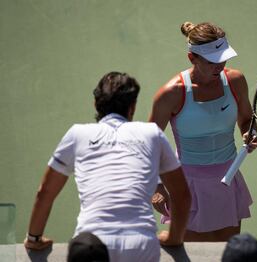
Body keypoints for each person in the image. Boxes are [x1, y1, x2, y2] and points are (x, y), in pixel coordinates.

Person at [24, 72, 191, 262]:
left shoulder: (77, 134)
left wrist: (34, 239)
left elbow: (45, 192)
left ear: (96, 104)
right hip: (141, 246)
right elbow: (181, 195)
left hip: (90, 248)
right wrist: (174, 238)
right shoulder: (152, 133)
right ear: (133, 107)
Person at [149, 21, 257, 242]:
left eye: (224, 59)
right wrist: (157, 186)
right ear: (192, 58)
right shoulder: (172, 93)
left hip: (228, 180)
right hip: (186, 185)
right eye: (212, 62)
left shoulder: (236, 81)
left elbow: (247, 119)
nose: (220, 66)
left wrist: (248, 132)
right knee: (194, 253)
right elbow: (148, 143)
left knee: (224, 250)